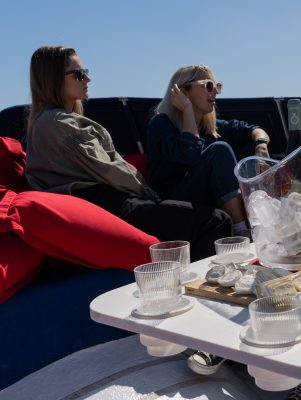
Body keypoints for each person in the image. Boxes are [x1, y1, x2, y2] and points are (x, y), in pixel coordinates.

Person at [24, 46, 232, 262]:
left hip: (106, 204)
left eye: (86, 71)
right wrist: (151, 196)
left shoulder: (49, 123)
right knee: (214, 222)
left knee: (208, 216)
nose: (88, 78)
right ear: (53, 79)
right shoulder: (57, 123)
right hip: (106, 208)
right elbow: (109, 170)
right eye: (79, 73)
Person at [147, 65, 270, 236]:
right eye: (209, 86)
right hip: (171, 206)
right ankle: (242, 231)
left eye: (218, 86)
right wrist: (188, 110)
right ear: (183, 90)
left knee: (248, 149)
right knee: (220, 149)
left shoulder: (210, 127)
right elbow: (189, 153)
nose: (215, 92)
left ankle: (268, 221)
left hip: (202, 199)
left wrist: (261, 145)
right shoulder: (161, 124)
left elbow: (254, 130)